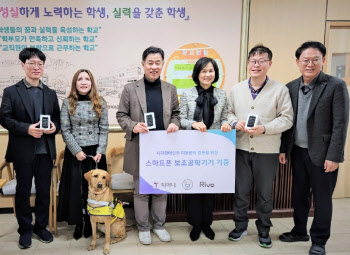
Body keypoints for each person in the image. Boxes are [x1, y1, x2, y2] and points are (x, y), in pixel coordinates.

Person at [279, 41, 349, 255]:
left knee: (322, 198)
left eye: (315, 60)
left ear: (323, 61)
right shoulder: (290, 86)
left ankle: (319, 240)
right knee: (299, 194)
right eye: (305, 60)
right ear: (298, 62)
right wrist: (284, 149)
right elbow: (287, 121)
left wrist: (334, 156)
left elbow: (340, 124)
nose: (310, 64)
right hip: (298, 151)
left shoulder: (335, 85)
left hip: (324, 154)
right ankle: (299, 230)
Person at [227, 45, 293, 248]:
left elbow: (287, 119)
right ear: (248, 64)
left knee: (265, 193)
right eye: (253, 61)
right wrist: (233, 122)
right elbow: (228, 113)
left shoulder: (280, 89)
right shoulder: (237, 89)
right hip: (241, 147)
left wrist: (264, 128)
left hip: (267, 150)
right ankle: (240, 226)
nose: (256, 65)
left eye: (261, 61)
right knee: (241, 191)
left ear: (269, 64)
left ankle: (264, 229)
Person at [117, 46, 180, 245]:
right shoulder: (130, 88)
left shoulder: (170, 89)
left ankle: (159, 226)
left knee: (161, 190)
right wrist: (134, 126)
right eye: (150, 63)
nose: (154, 66)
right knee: (142, 191)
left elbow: (177, 114)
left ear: (162, 64)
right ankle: (143, 228)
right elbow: (121, 115)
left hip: (163, 147)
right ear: (143, 64)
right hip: (140, 146)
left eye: (157, 62)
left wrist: (174, 124)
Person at [0, 47, 60, 249]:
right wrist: (27, 129)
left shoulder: (51, 93)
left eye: (40, 64)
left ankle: (40, 227)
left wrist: (54, 127)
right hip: (23, 151)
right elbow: (4, 118)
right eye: (32, 63)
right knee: (23, 191)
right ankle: (25, 229)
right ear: (22, 65)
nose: (36, 67)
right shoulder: (11, 91)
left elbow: (57, 120)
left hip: (45, 150)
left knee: (44, 191)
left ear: (43, 67)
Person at [179, 57, 231, 241]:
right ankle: (195, 225)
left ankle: (207, 224)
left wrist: (226, 124)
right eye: (204, 71)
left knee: (210, 186)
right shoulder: (187, 94)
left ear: (215, 73)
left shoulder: (222, 94)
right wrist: (193, 123)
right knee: (193, 187)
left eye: (211, 71)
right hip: (192, 147)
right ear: (197, 74)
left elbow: (225, 116)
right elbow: (181, 119)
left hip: (214, 148)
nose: (208, 74)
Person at [57, 69, 109, 240]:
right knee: (77, 190)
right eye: (80, 79)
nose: (84, 82)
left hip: (96, 154)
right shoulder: (67, 103)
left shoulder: (100, 102)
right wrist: (77, 150)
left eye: (87, 79)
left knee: (94, 190)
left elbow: (104, 128)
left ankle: (90, 221)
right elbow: (65, 130)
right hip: (75, 153)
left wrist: (100, 150)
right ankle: (79, 222)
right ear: (75, 83)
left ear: (92, 83)